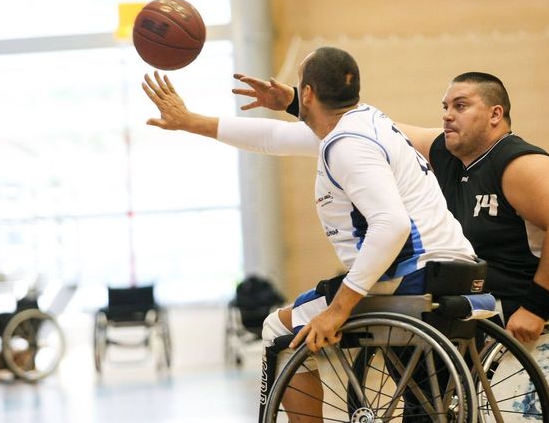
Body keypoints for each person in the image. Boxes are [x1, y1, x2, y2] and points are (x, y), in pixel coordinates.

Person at [142, 47, 480, 422]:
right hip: (455, 266)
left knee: (277, 330)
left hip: (413, 274)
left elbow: (392, 224)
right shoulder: (365, 122)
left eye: (299, 81)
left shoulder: (348, 144)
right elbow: (274, 136)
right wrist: (189, 120)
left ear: (307, 94)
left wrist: (338, 310)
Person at [230, 71, 549, 344]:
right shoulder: (449, 154)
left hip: (541, 316)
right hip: (480, 310)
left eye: (461, 106)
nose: (448, 115)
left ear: (496, 114)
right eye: (445, 107)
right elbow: (375, 129)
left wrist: (536, 308)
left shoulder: (518, 163)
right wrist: (298, 101)